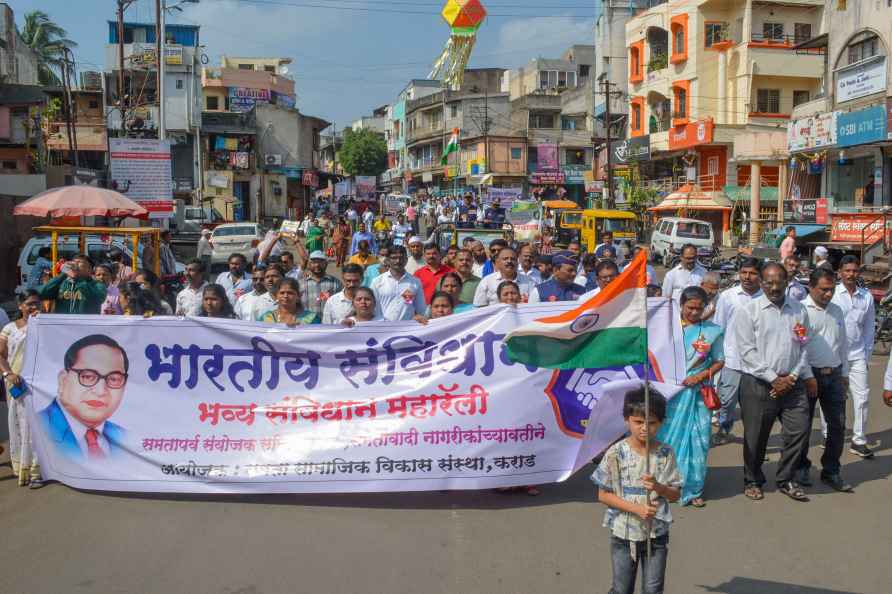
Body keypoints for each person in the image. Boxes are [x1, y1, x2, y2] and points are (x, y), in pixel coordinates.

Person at [730, 262, 816, 502]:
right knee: (756, 437)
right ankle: (753, 479)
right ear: (761, 282)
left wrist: (793, 377)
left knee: (799, 431)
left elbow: (805, 346)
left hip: (792, 383)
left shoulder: (799, 310)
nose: (774, 287)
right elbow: (747, 351)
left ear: (787, 282)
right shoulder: (749, 311)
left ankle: (786, 478)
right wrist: (773, 378)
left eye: (779, 281)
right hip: (758, 384)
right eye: (768, 282)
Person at [591, 386, 682, 594]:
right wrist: (636, 509)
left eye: (651, 423)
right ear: (627, 420)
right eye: (638, 422)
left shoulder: (665, 453)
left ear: (661, 423)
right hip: (623, 533)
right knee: (622, 588)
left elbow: (676, 494)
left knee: (653, 588)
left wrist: (659, 487)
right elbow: (603, 495)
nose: (644, 428)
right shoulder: (615, 453)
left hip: (656, 534)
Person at [658, 286, 725, 508]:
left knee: (699, 441)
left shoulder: (713, 331)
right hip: (670, 394)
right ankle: (666, 486)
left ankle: (694, 488)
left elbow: (719, 360)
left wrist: (702, 375)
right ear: (681, 305)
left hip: (697, 394)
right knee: (668, 439)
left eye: (699, 308)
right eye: (690, 308)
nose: (694, 313)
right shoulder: (666, 329)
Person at [798, 268, 852, 492]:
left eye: (831, 289)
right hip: (808, 377)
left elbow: (843, 343)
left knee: (838, 425)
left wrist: (845, 374)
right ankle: (800, 467)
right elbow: (798, 347)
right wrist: (807, 375)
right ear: (811, 287)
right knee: (802, 426)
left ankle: (831, 470)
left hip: (835, 376)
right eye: (824, 290)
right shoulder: (800, 310)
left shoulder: (837, 310)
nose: (828, 294)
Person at [39, 334, 131, 461]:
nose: (100, 391)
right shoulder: (39, 425)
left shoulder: (125, 438)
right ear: (63, 380)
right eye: (88, 376)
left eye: (114, 379)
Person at [712, 257, 763, 445]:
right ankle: (724, 430)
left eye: (752, 273)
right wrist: (718, 357)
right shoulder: (728, 296)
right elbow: (718, 327)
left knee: (755, 405)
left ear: (760, 276)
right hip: (732, 359)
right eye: (744, 272)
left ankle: (755, 441)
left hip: (758, 362)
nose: (747, 277)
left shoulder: (766, 298)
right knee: (726, 400)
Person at [831, 255, 875, 458]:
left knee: (862, 397)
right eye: (847, 270)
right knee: (831, 398)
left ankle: (859, 440)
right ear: (840, 272)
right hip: (834, 355)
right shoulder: (832, 293)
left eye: (854, 271)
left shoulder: (865, 296)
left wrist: (866, 356)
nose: (851, 274)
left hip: (857, 354)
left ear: (859, 273)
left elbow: (868, 328)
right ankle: (826, 435)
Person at [2, 291, 42, 487]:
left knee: (38, 425)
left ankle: (37, 470)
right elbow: (0, 355)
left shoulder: (46, 326)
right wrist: (8, 374)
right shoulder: (10, 329)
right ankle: (23, 467)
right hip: (16, 383)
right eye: (29, 304)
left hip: (41, 386)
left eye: (37, 303)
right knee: (20, 425)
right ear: (20, 306)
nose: (34, 307)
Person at [37, 253, 107, 314]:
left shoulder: (98, 285)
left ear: (90, 269)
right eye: (74, 262)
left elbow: (97, 300)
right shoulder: (63, 283)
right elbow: (42, 294)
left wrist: (77, 279)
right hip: (62, 327)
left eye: (79, 262)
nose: (75, 264)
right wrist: (63, 274)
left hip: (86, 327)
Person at [370, 245, 426, 322]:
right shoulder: (377, 282)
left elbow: (421, 310)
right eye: (394, 258)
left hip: (407, 329)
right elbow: (372, 308)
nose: (398, 261)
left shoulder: (415, 282)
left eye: (401, 258)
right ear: (388, 260)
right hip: (382, 328)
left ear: (406, 260)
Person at [298, 251, 343, 321]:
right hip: (306, 325)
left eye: (320, 262)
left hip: (328, 325)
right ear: (309, 265)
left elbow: (340, 305)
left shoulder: (335, 283)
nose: (317, 265)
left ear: (326, 264)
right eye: (313, 262)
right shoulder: (301, 284)